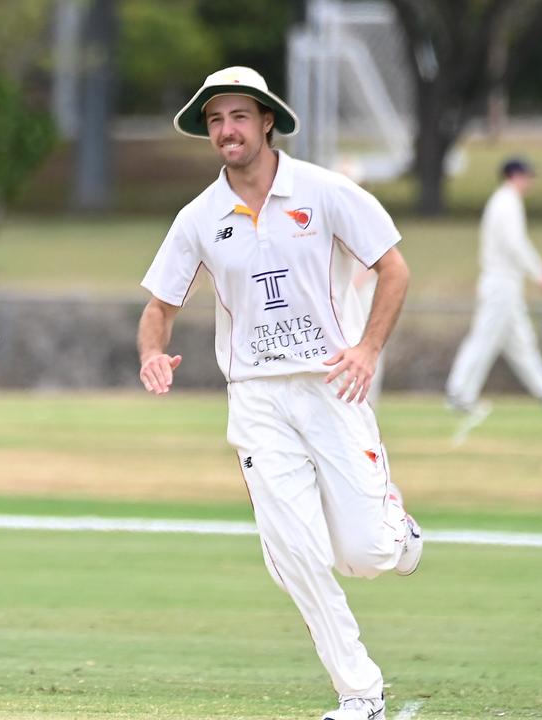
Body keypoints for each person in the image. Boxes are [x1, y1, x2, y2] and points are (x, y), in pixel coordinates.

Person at [137, 67, 423, 720]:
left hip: (332, 384)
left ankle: (394, 526)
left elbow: (394, 268)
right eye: (214, 120)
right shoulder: (199, 217)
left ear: (267, 121)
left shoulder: (323, 192)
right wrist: (153, 352)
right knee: (292, 554)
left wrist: (368, 349)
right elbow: (159, 305)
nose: (226, 131)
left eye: (238, 116)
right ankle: (360, 693)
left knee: (367, 553)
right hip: (256, 399)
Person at [445, 158, 542, 415]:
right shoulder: (506, 202)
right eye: (528, 176)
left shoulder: (506, 201)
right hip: (500, 283)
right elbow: (515, 243)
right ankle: (459, 392)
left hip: (507, 282)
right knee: (484, 338)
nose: (531, 181)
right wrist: (540, 272)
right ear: (515, 176)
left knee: (521, 341)